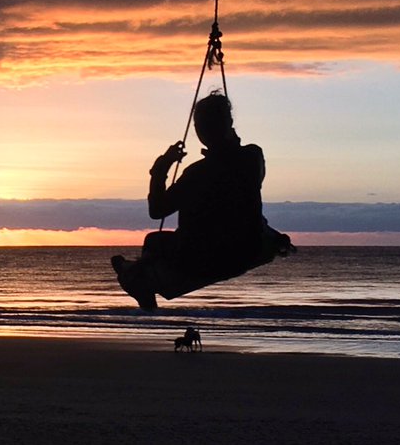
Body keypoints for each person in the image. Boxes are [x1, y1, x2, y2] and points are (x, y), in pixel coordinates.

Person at [111, 91, 292, 310]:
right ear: (230, 123)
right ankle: (136, 274)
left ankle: (139, 280)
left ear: (199, 131)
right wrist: (230, 140)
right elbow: (243, 173)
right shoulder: (253, 157)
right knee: (257, 226)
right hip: (246, 249)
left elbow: (157, 210)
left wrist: (160, 169)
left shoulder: (196, 174)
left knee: (153, 242)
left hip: (202, 258)